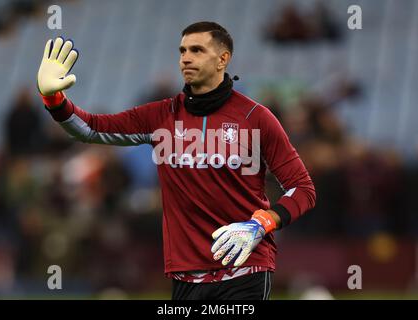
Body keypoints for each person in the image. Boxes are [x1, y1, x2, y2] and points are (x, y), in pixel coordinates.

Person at [36, 21, 316, 300]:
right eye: (182, 50)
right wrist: (53, 98)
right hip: (186, 274)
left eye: (197, 50)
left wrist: (261, 224)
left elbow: (303, 189)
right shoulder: (160, 116)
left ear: (223, 59)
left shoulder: (256, 118)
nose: (186, 58)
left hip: (245, 269)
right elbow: (90, 128)